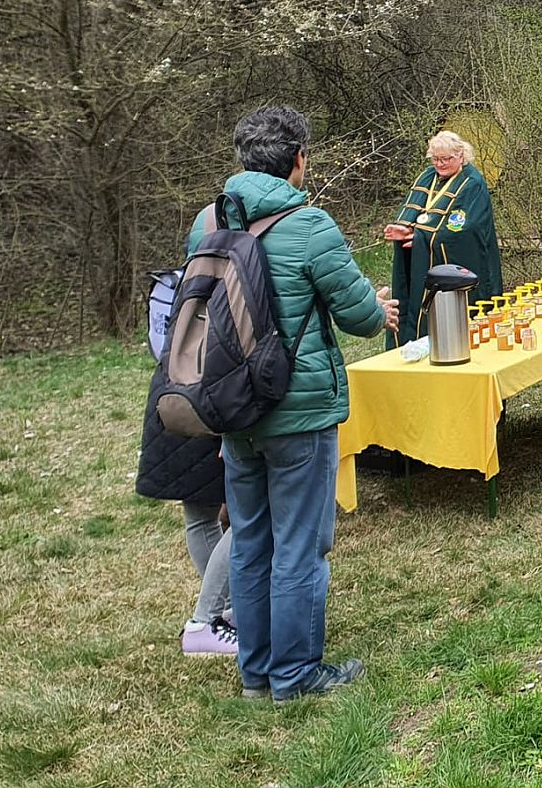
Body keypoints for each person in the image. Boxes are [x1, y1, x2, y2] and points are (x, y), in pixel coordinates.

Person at [188, 107, 399, 701]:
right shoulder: (309, 225)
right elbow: (360, 316)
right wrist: (377, 304)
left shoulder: (209, 222)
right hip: (298, 411)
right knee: (300, 548)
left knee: (251, 540)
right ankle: (295, 675)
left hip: (233, 407)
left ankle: (256, 673)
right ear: (299, 159)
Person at [384, 131, 503, 346]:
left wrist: (421, 237)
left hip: (456, 260)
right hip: (420, 259)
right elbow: (415, 209)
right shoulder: (428, 176)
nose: (440, 164)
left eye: (446, 159)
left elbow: (465, 226)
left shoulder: (472, 182)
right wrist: (404, 228)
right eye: (435, 159)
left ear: (461, 155)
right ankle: (413, 343)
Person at [135, 407, 236, 656]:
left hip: (176, 414)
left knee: (202, 519)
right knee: (250, 523)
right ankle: (207, 621)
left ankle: (230, 614)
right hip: (209, 418)